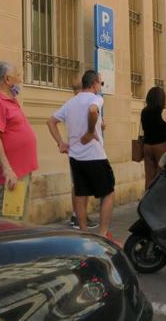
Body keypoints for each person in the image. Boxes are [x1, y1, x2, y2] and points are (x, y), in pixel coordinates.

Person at [47, 70, 114, 238]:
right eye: (101, 83)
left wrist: (61, 143)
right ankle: (102, 233)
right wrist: (91, 131)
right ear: (94, 84)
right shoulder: (96, 99)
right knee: (108, 193)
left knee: (80, 194)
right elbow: (92, 110)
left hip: (76, 157)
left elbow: (51, 121)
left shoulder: (71, 103)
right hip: (95, 156)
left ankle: (84, 232)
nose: (101, 87)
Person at [0, 61, 38, 218]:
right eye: (17, 75)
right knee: (4, 227)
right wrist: (7, 169)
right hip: (7, 177)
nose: (20, 79)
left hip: (19, 173)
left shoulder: (9, 99)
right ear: (7, 79)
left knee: (17, 222)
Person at [67, 78, 98, 230]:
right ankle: (77, 216)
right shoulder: (77, 104)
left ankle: (80, 216)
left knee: (81, 186)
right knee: (79, 186)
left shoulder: (76, 103)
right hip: (80, 152)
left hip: (81, 151)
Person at [141, 86, 166, 189]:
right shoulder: (164, 111)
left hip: (147, 146)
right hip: (161, 146)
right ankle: (159, 199)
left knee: (149, 175)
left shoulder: (144, 111)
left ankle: (148, 199)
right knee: (161, 174)